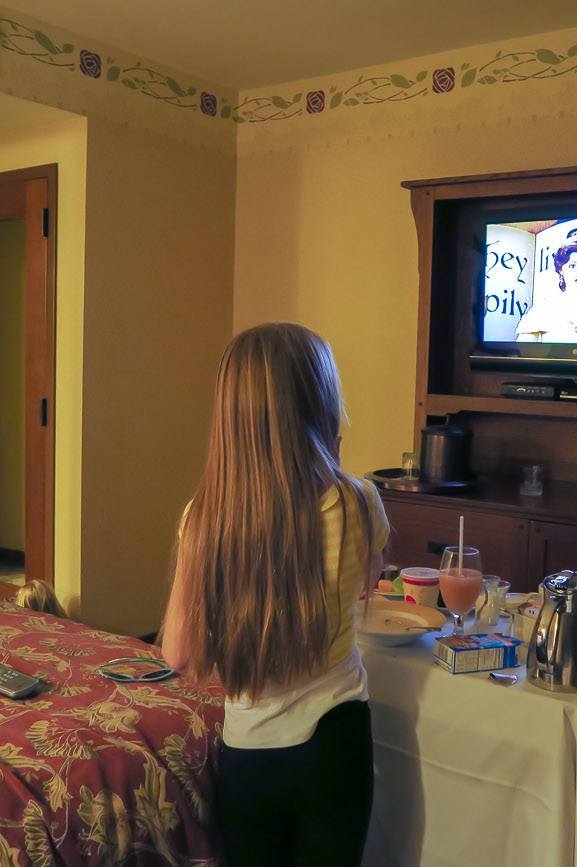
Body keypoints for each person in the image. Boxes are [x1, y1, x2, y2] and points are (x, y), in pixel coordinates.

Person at [161, 322, 389, 867]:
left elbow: (177, 653)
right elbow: (370, 577)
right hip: (336, 742)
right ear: (320, 405)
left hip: (251, 752)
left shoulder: (204, 522)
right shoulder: (358, 501)